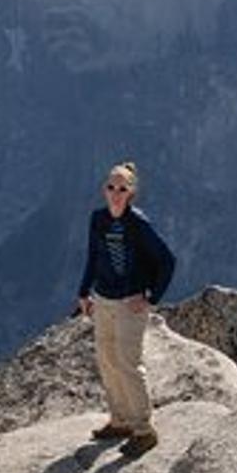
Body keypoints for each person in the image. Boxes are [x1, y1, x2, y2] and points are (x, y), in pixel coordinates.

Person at [74, 161, 177, 456]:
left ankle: (143, 429)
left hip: (129, 303)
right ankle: (119, 420)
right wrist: (84, 292)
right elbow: (92, 257)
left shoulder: (139, 224)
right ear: (104, 190)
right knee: (107, 360)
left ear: (131, 193)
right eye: (111, 187)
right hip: (103, 300)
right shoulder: (98, 220)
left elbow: (167, 261)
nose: (116, 193)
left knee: (128, 363)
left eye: (122, 188)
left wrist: (151, 297)